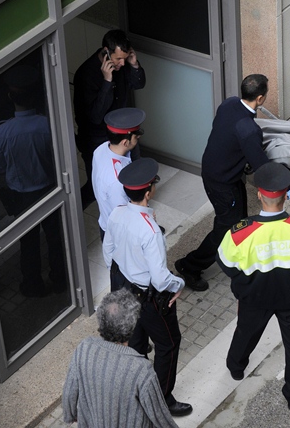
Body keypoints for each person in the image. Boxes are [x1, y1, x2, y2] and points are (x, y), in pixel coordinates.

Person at [217, 162, 290, 411]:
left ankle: (236, 367)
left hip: (254, 298)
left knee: (246, 332)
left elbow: (227, 265)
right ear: (286, 194)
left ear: (258, 194)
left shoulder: (239, 234)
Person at [102, 158, 192, 417]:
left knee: (136, 345)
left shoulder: (117, 212)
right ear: (149, 191)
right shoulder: (150, 231)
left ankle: (134, 390)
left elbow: (108, 252)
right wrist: (180, 284)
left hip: (121, 287)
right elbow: (161, 279)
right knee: (169, 344)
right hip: (147, 297)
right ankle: (161, 399)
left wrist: (124, 273)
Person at [174, 74, 271, 291]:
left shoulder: (228, 104)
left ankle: (241, 254)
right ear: (261, 98)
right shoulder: (248, 129)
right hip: (223, 182)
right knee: (226, 227)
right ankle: (189, 266)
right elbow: (262, 166)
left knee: (239, 218)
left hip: (216, 172)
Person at [0, 65, 66, 297]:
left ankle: (32, 285)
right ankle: (61, 278)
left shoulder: (2, 132)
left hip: (21, 195)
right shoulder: (46, 125)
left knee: (28, 243)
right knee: (55, 237)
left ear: (10, 97)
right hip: (47, 189)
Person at [62, 289, 179, 427]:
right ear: (132, 325)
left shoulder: (84, 347)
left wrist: (70, 415)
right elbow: (159, 415)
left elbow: (70, 389)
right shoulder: (141, 369)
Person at [73, 29, 146, 208]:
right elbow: (95, 116)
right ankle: (73, 213)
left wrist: (134, 64)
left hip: (123, 130)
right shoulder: (86, 74)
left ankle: (138, 216)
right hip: (97, 138)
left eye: (125, 57)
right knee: (96, 185)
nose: (122, 63)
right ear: (106, 51)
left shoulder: (125, 62)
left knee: (135, 177)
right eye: (118, 59)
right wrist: (107, 82)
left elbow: (138, 83)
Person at [92, 107, 145, 291]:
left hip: (105, 223)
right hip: (119, 236)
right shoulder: (118, 180)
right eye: (135, 137)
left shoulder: (101, 150)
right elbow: (124, 217)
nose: (137, 139)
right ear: (125, 141)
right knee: (126, 280)